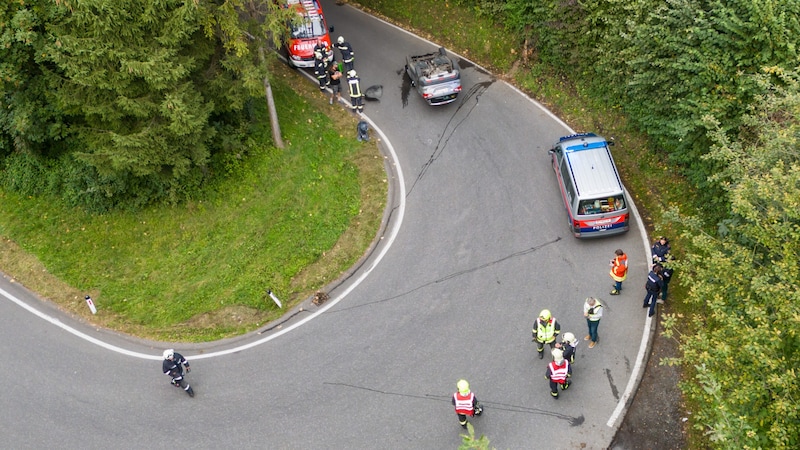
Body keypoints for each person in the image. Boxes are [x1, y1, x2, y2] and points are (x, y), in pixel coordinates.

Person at [651, 236, 674, 302]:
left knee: (664, 286)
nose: (663, 242)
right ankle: (660, 291)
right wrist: (655, 256)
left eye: (664, 241)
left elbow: (667, 256)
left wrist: (660, 259)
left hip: (661, 265)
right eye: (662, 240)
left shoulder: (667, 248)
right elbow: (653, 249)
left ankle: (663, 298)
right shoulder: (656, 244)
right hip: (656, 262)